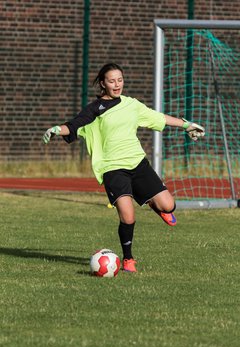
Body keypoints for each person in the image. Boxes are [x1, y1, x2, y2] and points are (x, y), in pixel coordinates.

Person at [42, 63, 205, 273]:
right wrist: (56, 130)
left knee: (169, 206)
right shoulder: (94, 109)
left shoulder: (131, 104)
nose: (116, 84)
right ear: (103, 83)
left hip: (138, 163)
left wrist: (186, 125)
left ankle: (156, 206)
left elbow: (158, 117)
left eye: (120, 79)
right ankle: (128, 259)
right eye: (111, 80)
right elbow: (74, 125)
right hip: (112, 169)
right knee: (128, 216)